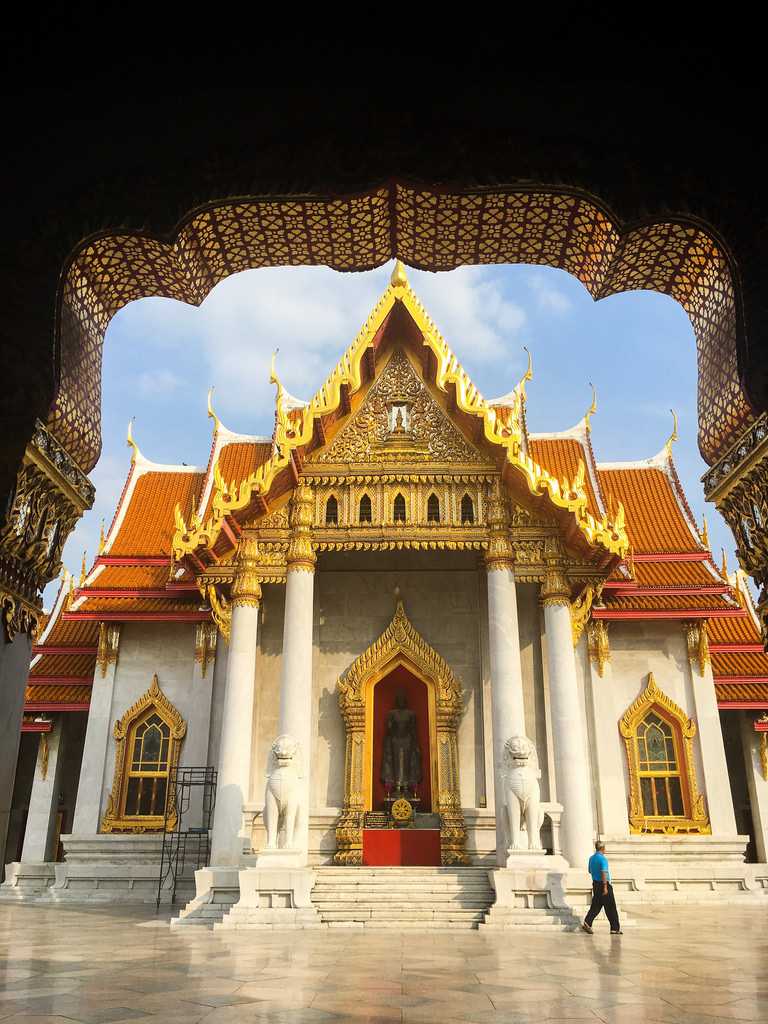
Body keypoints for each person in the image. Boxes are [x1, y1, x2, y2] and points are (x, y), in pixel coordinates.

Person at [581, 840, 622, 934]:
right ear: (603, 848)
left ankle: (587, 922)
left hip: (595, 884)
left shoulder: (591, 858)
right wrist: (605, 887)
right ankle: (615, 928)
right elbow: (604, 872)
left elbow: (590, 871)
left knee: (596, 905)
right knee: (611, 907)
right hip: (604, 884)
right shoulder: (603, 859)